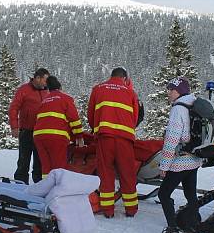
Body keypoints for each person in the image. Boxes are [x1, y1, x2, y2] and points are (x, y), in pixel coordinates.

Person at [154, 76, 203, 233]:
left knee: (164, 193)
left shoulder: (178, 109)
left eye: (171, 89)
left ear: (179, 91)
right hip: (195, 159)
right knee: (191, 195)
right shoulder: (193, 106)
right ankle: (191, 231)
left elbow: (172, 140)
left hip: (181, 161)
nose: (168, 92)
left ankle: (172, 231)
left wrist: (164, 166)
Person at [87, 67, 140, 218]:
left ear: (111, 76)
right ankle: (131, 209)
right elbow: (135, 117)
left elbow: (91, 113)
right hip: (125, 139)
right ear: (124, 78)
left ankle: (108, 210)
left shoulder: (98, 89)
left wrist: (96, 129)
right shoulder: (130, 92)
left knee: (106, 172)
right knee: (127, 173)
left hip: (105, 137)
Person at [33, 76, 83, 178]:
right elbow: (74, 119)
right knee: (59, 166)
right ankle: (59, 191)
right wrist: (79, 136)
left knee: (46, 166)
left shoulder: (43, 101)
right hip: (56, 136)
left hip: (39, 136)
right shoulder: (66, 99)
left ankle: (46, 188)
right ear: (60, 87)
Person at [8, 67, 50, 183]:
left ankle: (39, 185)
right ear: (37, 78)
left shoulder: (47, 91)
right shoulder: (24, 90)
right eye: (45, 80)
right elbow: (13, 108)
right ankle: (20, 185)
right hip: (26, 131)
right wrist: (14, 126)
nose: (46, 83)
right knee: (23, 160)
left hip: (41, 132)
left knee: (40, 161)